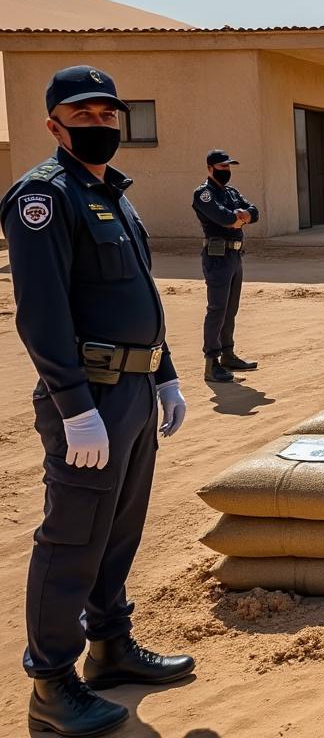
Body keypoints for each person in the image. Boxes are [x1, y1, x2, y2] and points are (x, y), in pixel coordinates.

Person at [0, 65, 194, 737]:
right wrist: (75, 405)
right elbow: (42, 313)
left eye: (109, 114)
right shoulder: (44, 198)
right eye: (84, 116)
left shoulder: (114, 195)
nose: (101, 125)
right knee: (72, 538)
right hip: (91, 397)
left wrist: (164, 373)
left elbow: (139, 296)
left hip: (135, 391)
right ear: (53, 124)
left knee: (119, 529)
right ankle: (52, 684)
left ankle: (110, 645)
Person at [193, 148, 259, 383]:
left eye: (228, 167)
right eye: (222, 167)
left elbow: (254, 212)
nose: (226, 171)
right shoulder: (204, 194)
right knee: (217, 309)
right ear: (210, 168)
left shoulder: (231, 192)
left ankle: (228, 354)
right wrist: (238, 218)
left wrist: (242, 217)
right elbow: (225, 219)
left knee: (231, 309)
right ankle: (211, 363)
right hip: (217, 256)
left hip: (234, 257)